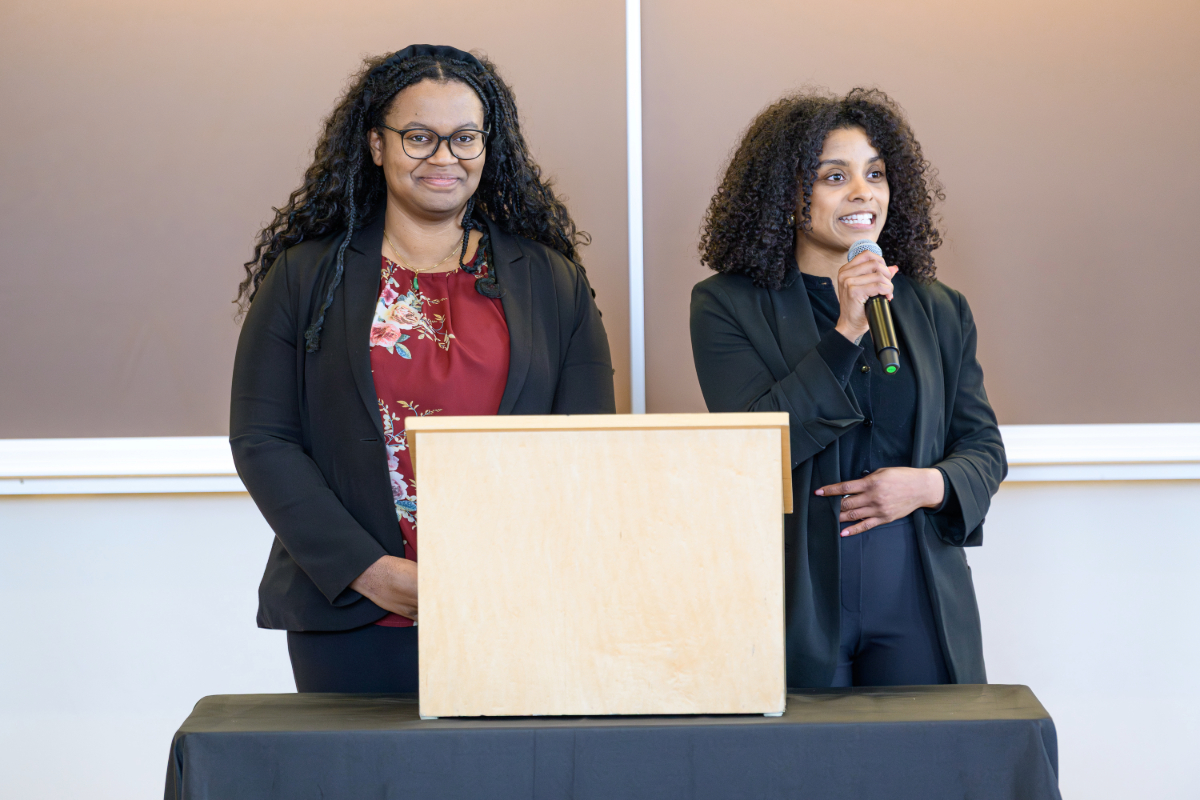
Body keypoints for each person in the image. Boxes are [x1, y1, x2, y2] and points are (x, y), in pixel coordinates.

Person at [231, 45, 615, 693]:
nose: (445, 158)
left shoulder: (551, 281)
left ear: (489, 147)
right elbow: (264, 438)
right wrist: (367, 570)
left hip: (513, 606)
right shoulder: (306, 276)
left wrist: (512, 573)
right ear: (377, 146)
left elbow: (583, 445)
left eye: (465, 138)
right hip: (350, 612)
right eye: (419, 138)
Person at [690, 88, 1006, 688]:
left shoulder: (939, 309)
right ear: (789, 194)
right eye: (836, 176)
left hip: (917, 587)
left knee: (928, 770)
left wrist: (929, 484)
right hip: (794, 591)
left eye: (876, 174)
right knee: (804, 775)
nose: (864, 192)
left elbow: (984, 449)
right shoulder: (725, 305)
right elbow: (755, 448)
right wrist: (846, 330)